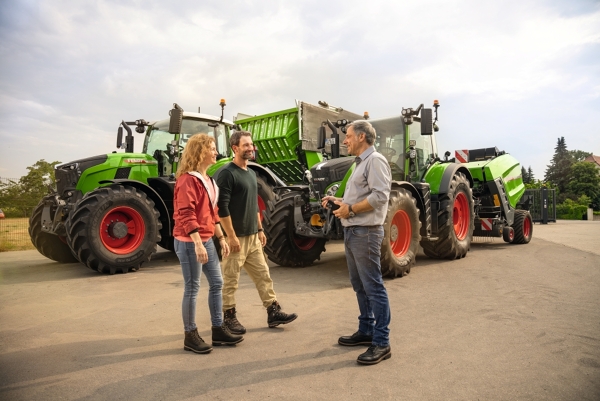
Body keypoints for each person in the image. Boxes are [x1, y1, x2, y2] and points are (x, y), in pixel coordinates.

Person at [321, 120, 392, 365]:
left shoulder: (375, 161)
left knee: (373, 287)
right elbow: (360, 195)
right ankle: (366, 330)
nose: (345, 140)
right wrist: (339, 200)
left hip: (366, 232)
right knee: (359, 284)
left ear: (361, 137)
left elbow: (380, 196)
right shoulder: (360, 163)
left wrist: (350, 210)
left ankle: (382, 342)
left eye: (348, 136)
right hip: (354, 231)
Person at [217, 130, 297, 334]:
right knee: (230, 280)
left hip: (253, 236)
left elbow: (252, 204)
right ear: (235, 148)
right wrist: (231, 237)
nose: (250, 148)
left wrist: (260, 229)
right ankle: (228, 317)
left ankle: (273, 311)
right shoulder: (227, 173)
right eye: (246, 145)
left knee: (263, 275)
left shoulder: (251, 173)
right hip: (235, 238)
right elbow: (222, 208)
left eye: (251, 145)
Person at [173, 133, 243, 354]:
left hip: (205, 239)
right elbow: (185, 213)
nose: (216, 152)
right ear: (200, 152)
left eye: (214, 148)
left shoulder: (209, 180)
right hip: (189, 241)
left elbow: (212, 214)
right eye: (211, 148)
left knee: (217, 282)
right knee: (192, 287)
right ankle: (190, 335)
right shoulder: (187, 180)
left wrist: (220, 238)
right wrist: (197, 243)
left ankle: (218, 329)